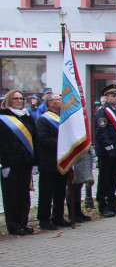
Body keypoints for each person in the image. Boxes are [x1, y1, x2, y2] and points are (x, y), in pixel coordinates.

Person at [0, 90, 38, 235]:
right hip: (10, 164)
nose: (19, 101)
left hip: (25, 162)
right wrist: (4, 163)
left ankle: (23, 223)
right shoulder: (3, 118)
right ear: (9, 100)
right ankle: (13, 225)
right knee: (11, 195)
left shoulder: (27, 118)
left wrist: (35, 162)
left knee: (24, 194)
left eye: (21, 98)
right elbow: (2, 143)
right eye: (16, 98)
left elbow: (35, 141)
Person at [34, 91, 70, 230]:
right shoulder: (43, 120)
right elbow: (42, 140)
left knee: (60, 190)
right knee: (46, 192)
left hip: (62, 160)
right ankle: (44, 219)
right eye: (58, 99)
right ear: (50, 103)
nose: (61, 101)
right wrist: (62, 142)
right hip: (48, 161)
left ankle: (58, 216)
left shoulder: (62, 118)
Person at [93, 84, 116, 217]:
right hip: (106, 152)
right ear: (106, 97)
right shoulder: (102, 112)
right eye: (113, 96)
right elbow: (102, 132)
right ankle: (102, 205)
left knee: (113, 178)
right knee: (104, 179)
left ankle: (112, 203)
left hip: (115, 151)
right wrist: (110, 147)